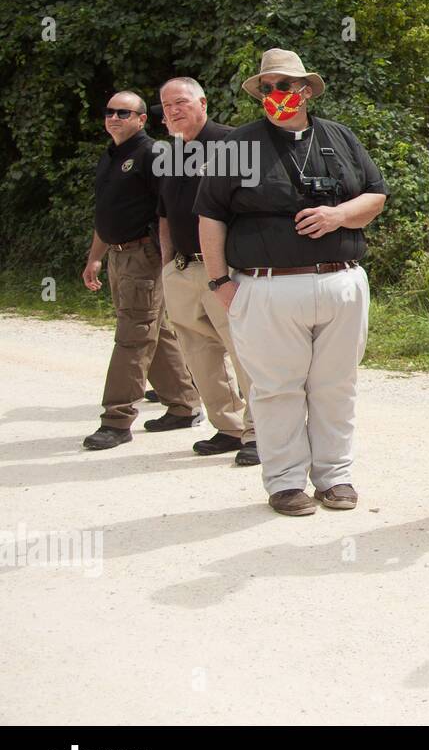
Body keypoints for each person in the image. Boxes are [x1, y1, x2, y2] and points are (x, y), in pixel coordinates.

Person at [194, 49, 387, 516]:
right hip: (265, 287)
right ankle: (284, 482)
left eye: (284, 85)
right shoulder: (235, 147)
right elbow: (211, 217)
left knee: (336, 385)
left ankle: (334, 476)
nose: (275, 94)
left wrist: (338, 214)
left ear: (305, 90)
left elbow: (376, 195)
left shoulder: (339, 137)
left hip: (339, 282)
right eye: (267, 86)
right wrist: (219, 281)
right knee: (276, 387)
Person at [81, 90, 201, 450]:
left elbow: (173, 209)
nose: (114, 118)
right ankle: (183, 405)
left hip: (145, 255)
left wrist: (171, 260)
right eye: (109, 111)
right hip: (119, 256)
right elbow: (107, 214)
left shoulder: (153, 154)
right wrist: (95, 257)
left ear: (140, 119)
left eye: (123, 112)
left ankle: (116, 420)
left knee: (133, 335)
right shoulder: (111, 156)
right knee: (153, 330)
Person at [156, 77, 259, 467]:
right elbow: (164, 213)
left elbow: (250, 208)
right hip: (181, 269)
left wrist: (232, 268)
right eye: (166, 106)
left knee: (244, 351)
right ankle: (229, 427)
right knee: (200, 354)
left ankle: (260, 432)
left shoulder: (232, 143)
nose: (173, 110)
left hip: (223, 269)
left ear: (202, 102)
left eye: (180, 102)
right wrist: (168, 263)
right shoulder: (171, 153)